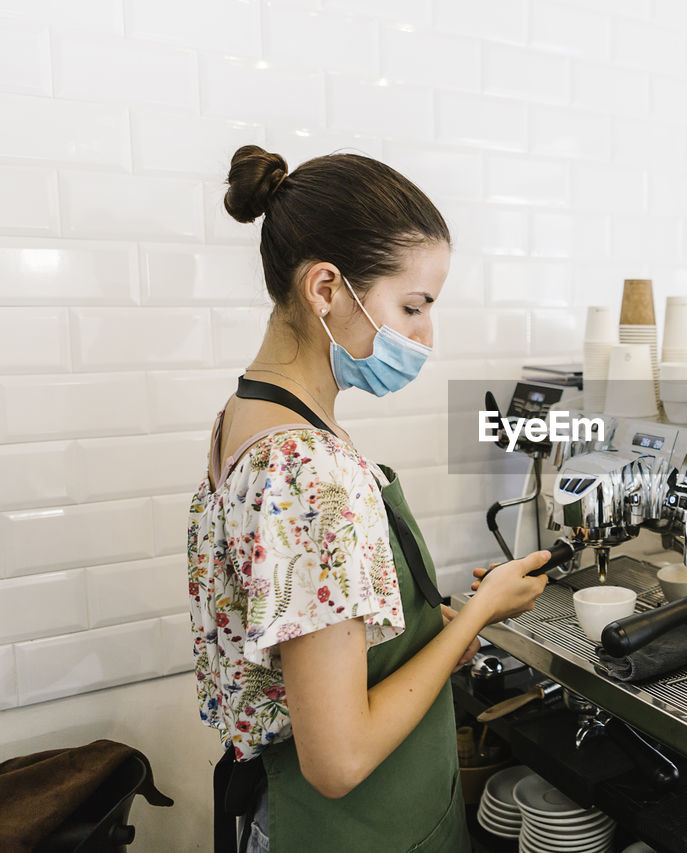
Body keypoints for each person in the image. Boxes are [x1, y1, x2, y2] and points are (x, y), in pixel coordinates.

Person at [187, 145, 549, 853]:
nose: (426, 335)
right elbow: (338, 759)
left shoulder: (248, 415)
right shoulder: (305, 470)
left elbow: (307, 631)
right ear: (325, 289)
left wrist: (425, 627)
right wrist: (479, 609)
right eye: (412, 306)